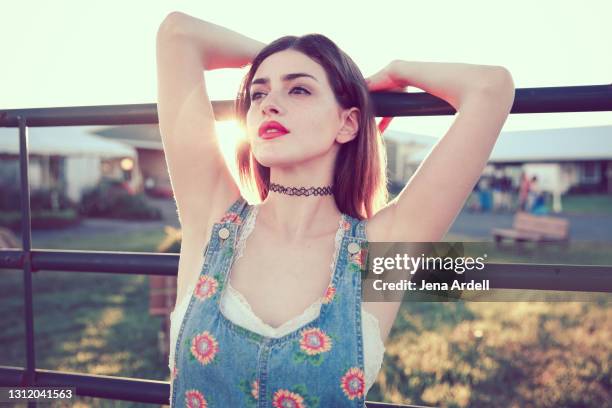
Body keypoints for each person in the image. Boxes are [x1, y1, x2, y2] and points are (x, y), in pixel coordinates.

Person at [156, 11, 515, 406]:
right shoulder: (212, 216)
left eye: (299, 91)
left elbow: (490, 87)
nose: (269, 104)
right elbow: (179, 33)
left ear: (348, 123)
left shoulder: (384, 247)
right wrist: (292, 57)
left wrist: (390, 72)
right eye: (258, 93)